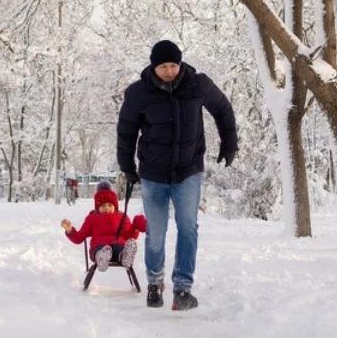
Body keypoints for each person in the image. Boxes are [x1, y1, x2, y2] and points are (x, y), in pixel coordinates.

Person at [117, 39, 237, 311]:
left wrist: (229, 144)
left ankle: (182, 287)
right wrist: (127, 166)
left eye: (174, 65)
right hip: (154, 174)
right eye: (164, 66)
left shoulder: (198, 84)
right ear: (154, 66)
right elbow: (126, 131)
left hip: (188, 171)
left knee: (188, 228)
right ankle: (154, 283)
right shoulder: (138, 93)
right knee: (156, 232)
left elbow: (223, 109)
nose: (170, 71)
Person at [61, 183, 147, 272]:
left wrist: (136, 227)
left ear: (115, 206)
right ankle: (102, 258)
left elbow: (129, 235)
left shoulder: (122, 217)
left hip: (118, 245)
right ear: (97, 207)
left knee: (120, 248)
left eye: (110, 205)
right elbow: (79, 238)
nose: (106, 208)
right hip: (99, 246)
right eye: (103, 206)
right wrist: (69, 230)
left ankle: (124, 257)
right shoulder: (92, 218)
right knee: (103, 249)